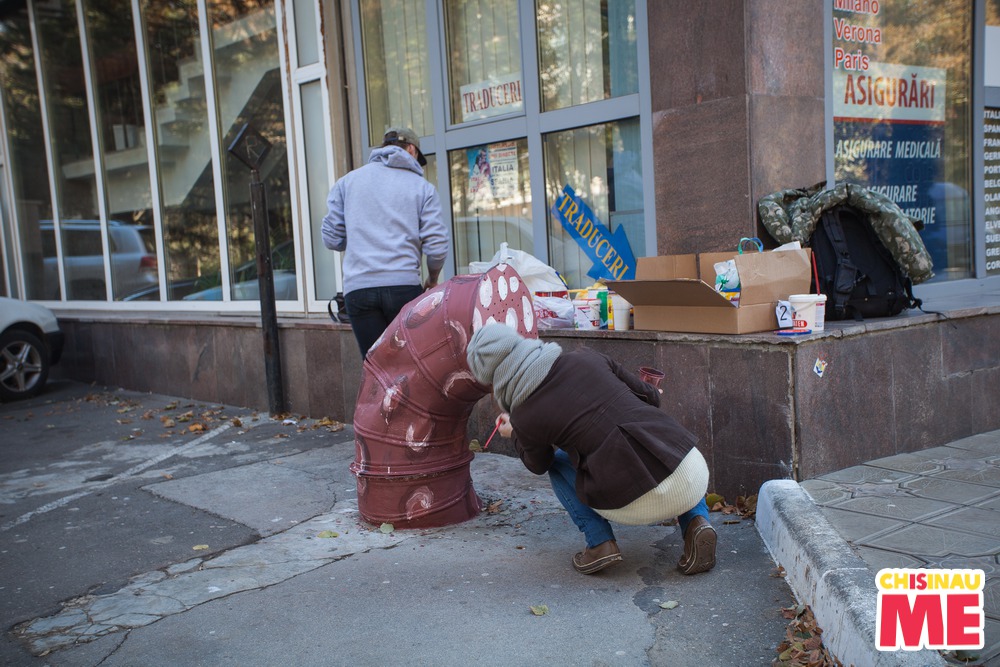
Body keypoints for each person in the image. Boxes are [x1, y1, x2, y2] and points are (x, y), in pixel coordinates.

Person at [466, 323, 716, 575]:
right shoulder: (586, 357)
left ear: (493, 379)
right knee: (667, 441)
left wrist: (516, 433)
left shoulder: (524, 416)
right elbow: (651, 398)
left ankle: (600, 543)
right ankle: (697, 521)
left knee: (557, 463)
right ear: (519, 341)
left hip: (629, 502)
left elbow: (538, 464)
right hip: (690, 477)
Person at [322, 127, 451, 357]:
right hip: (403, 287)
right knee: (411, 365)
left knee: (376, 368)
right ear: (411, 150)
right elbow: (437, 246)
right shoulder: (422, 188)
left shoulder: (347, 182)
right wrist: (432, 279)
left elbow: (332, 238)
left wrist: (361, 238)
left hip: (358, 290)